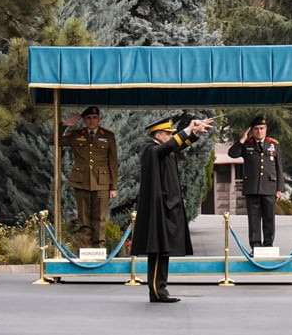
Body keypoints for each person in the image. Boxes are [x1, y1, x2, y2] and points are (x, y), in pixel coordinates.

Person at [131, 116, 215, 304]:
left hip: (166, 205)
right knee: (157, 250)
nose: (171, 136)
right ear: (158, 135)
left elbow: (176, 146)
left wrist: (193, 133)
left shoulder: (161, 149)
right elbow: (167, 147)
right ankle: (156, 290)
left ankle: (161, 288)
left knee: (163, 249)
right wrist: (187, 129)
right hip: (157, 207)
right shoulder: (150, 149)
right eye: (168, 134)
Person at [59, 105, 118, 250]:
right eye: (89, 118)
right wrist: (64, 125)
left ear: (99, 119)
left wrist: (113, 187)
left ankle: (99, 249)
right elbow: (53, 140)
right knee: (84, 218)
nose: (92, 121)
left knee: (100, 218)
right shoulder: (75, 135)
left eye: (95, 117)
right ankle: (85, 249)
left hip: (102, 183)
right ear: (84, 120)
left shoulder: (108, 136)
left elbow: (113, 162)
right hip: (81, 182)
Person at [228, 116, 284, 250]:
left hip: (269, 188)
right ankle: (256, 246)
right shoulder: (247, 145)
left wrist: (279, 188)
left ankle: (268, 245)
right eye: (256, 129)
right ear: (252, 130)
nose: (259, 131)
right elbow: (232, 154)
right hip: (252, 188)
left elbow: (279, 167)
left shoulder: (273, 145)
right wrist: (242, 139)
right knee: (254, 220)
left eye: (262, 128)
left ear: (266, 129)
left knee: (269, 218)